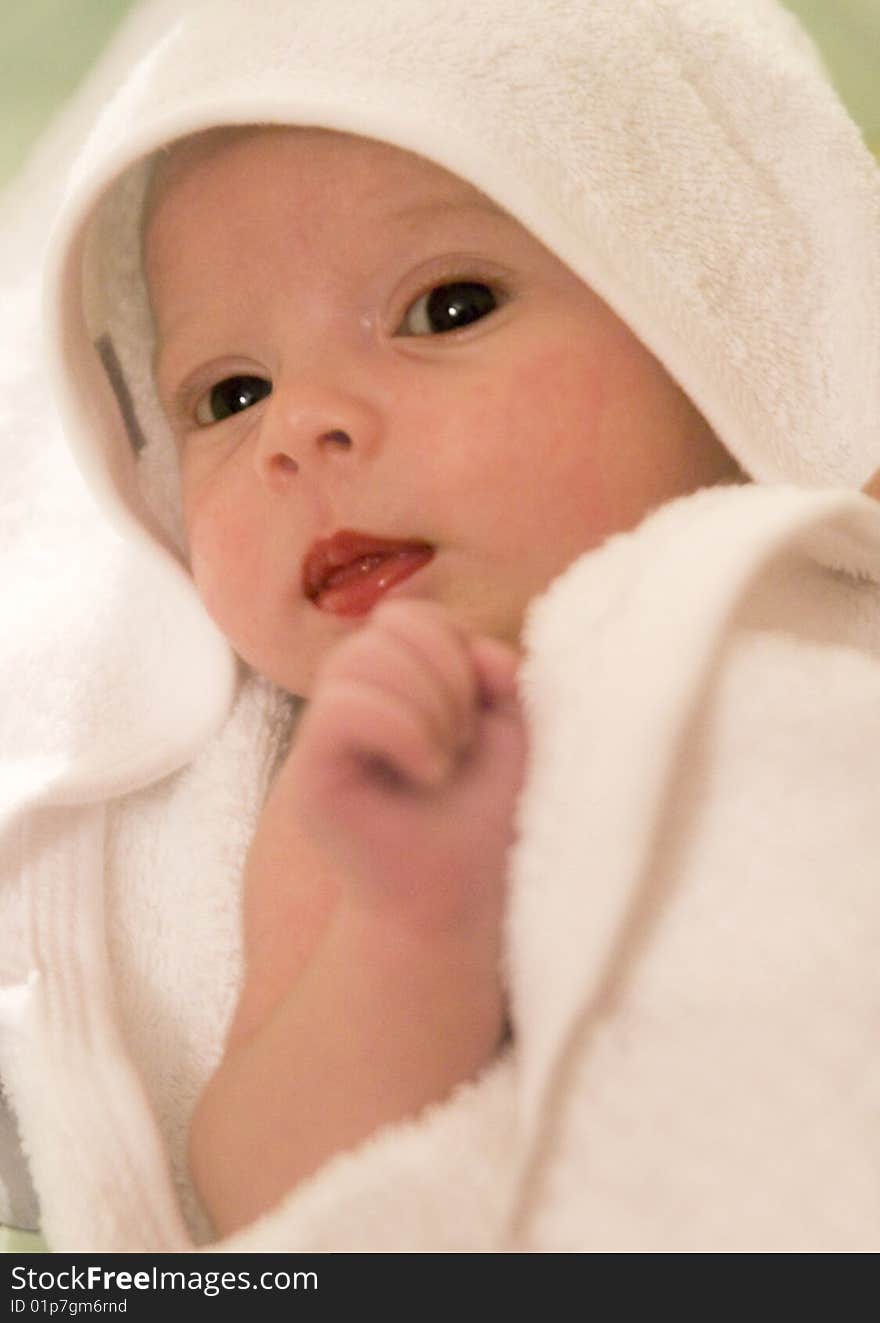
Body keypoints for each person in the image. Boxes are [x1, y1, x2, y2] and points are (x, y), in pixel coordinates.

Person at [2, 0, 879, 1252]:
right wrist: (407, 919)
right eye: (229, 394)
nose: (300, 427)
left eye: (447, 308)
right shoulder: (365, 778)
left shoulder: (825, 560)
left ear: (712, 319)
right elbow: (267, 1187)